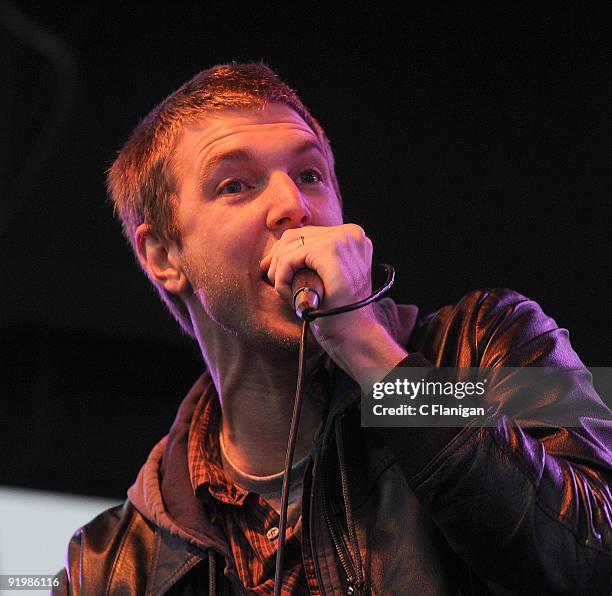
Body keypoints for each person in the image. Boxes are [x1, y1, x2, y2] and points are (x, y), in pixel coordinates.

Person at [54, 63, 612, 595]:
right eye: (236, 185)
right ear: (162, 254)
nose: (292, 205)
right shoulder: (110, 565)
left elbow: (591, 559)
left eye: (309, 174)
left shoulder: (492, 343)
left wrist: (365, 345)